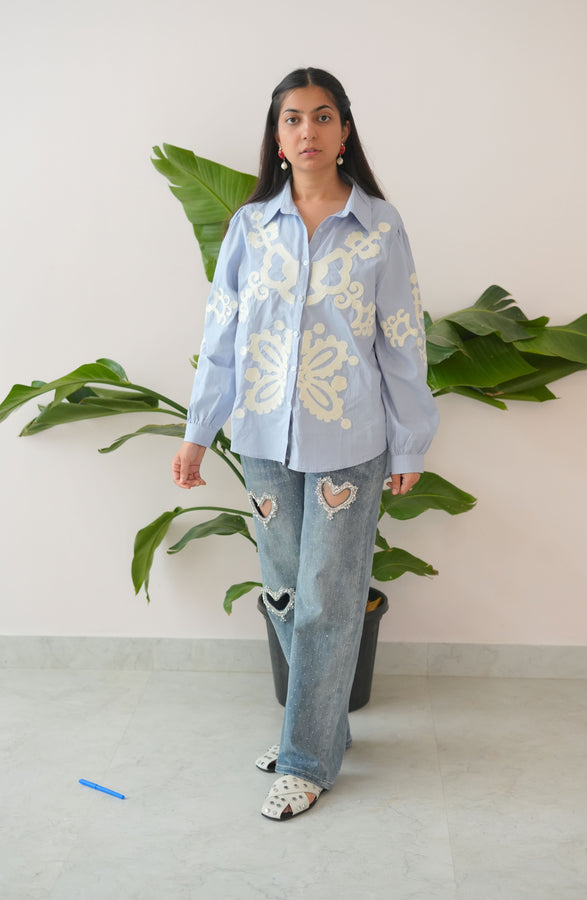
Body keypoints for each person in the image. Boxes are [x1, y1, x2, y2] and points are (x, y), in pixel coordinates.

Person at [172, 67, 439, 821]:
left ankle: (307, 757)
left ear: (345, 131)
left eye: (323, 117)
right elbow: (220, 336)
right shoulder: (250, 228)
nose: (308, 132)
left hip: (350, 438)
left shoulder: (380, 227)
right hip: (260, 437)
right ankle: (316, 726)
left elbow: (402, 343)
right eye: (293, 119)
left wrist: (411, 444)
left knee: (329, 599)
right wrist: (199, 433)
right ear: (278, 137)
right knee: (286, 592)